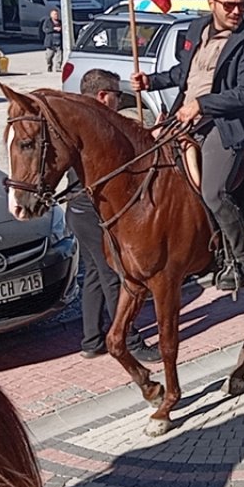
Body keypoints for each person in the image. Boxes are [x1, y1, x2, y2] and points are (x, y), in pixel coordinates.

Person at [132, 0, 244, 292]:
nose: (237, 11)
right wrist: (150, 81)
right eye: (230, 5)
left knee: (212, 192)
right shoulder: (196, 30)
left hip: (226, 126)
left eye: (241, 5)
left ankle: (241, 260)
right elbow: (185, 73)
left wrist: (202, 105)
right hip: (183, 120)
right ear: (212, 3)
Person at [69, 69, 160, 363]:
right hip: (93, 210)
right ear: (102, 97)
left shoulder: (78, 121)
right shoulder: (94, 126)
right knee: (115, 274)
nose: (119, 104)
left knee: (94, 274)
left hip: (77, 210)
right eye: (118, 97)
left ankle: (91, 339)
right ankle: (129, 340)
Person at [41, 9, 63, 73]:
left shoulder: (60, 22)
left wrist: (60, 29)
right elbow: (45, 30)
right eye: (54, 14)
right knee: (49, 56)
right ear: (51, 15)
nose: (56, 15)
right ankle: (49, 65)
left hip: (58, 42)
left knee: (59, 55)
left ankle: (58, 67)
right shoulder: (47, 22)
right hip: (50, 42)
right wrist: (53, 29)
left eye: (57, 14)